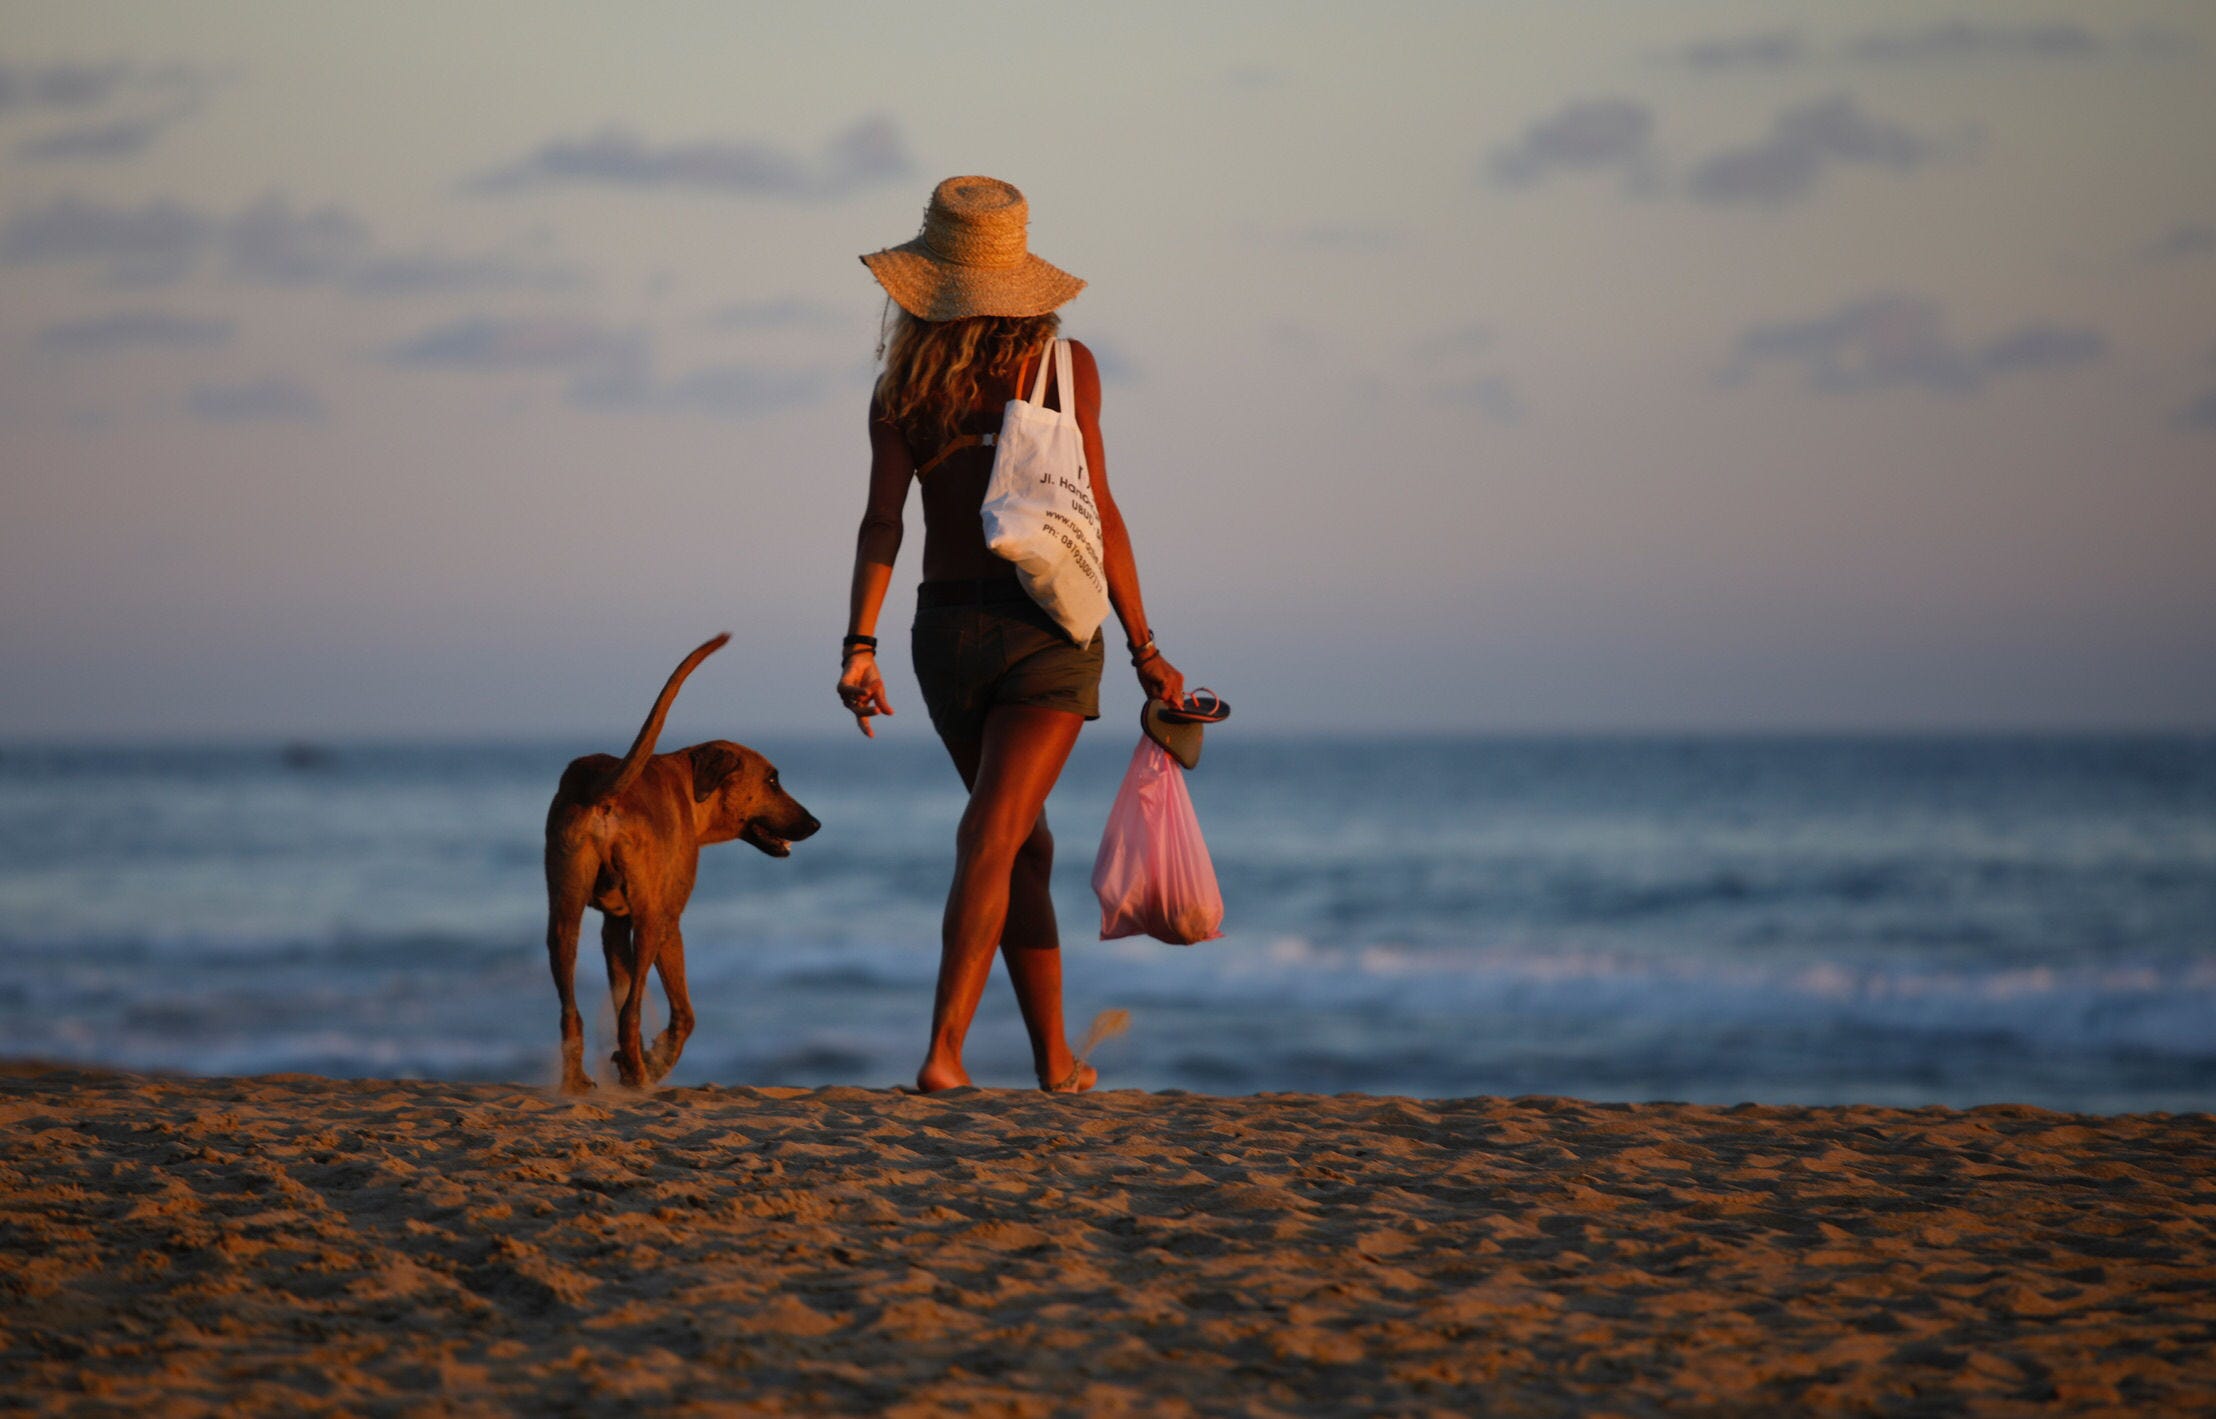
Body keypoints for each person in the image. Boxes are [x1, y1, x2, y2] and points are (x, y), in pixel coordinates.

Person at [840, 176, 1185, 1093]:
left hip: (941, 638)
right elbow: (1097, 510)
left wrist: (858, 646)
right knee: (997, 832)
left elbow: (884, 524)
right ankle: (945, 1053)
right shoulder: (1067, 373)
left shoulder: (900, 388)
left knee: (1022, 841)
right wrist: (1147, 649)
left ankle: (1053, 1059)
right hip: (1045, 634)